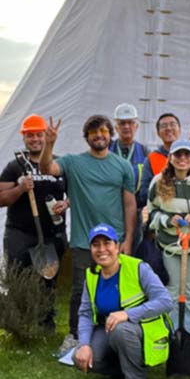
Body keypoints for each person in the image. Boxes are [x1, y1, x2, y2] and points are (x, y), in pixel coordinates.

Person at [39, 116, 136, 354]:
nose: (99, 135)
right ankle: (74, 335)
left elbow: (130, 204)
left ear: (110, 135)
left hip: (115, 241)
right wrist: (48, 144)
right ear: (87, 137)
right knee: (80, 291)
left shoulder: (123, 166)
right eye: (93, 132)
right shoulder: (73, 162)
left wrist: (128, 240)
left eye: (103, 131)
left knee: (117, 290)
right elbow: (46, 168)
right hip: (84, 240)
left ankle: (113, 334)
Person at [73, 224, 173, 379]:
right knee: (79, 357)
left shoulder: (138, 268)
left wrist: (127, 314)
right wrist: (84, 344)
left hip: (145, 329)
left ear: (117, 247)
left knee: (121, 330)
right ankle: (125, 368)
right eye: (96, 245)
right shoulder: (92, 275)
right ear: (91, 249)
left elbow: (165, 301)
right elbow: (86, 313)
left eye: (107, 243)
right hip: (110, 330)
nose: (102, 249)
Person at [0, 114, 68, 328]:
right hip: (20, 233)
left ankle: (46, 323)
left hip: (51, 234)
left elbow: (75, 193)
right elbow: (0, 199)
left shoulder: (59, 163)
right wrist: (20, 188)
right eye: (30, 136)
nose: (35, 139)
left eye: (38, 134)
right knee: (18, 279)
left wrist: (66, 204)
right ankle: (20, 324)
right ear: (24, 138)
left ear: (46, 136)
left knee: (48, 280)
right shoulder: (15, 165)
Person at [147, 140, 190, 342]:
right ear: (171, 158)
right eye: (178, 155)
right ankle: (171, 336)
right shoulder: (158, 181)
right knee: (172, 290)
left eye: (187, 155)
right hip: (170, 246)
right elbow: (151, 214)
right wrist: (167, 220)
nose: (183, 159)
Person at [110, 103, 149, 249]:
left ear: (136, 126)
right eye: (122, 123)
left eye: (130, 123)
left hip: (135, 213)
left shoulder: (145, 152)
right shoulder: (107, 149)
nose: (126, 127)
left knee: (131, 250)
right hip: (110, 211)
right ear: (116, 128)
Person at [138, 112, 182, 207]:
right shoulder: (151, 159)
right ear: (158, 133)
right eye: (164, 126)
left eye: (172, 124)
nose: (168, 128)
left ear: (180, 130)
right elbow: (144, 194)